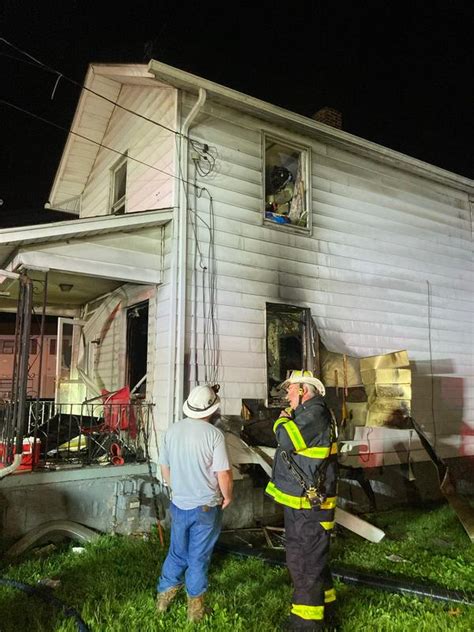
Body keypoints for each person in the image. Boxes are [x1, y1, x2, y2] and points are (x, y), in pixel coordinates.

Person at [265, 370, 338, 631]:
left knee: (305, 561)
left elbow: (286, 440)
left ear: (303, 390)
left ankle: (305, 623)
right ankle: (327, 609)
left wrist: (281, 421)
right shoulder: (312, 412)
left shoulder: (314, 413)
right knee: (313, 558)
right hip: (303, 503)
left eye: (289, 390)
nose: (287, 396)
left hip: (309, 506)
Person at [156, 384, 233, 622]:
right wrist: (227, 496)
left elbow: (165, 468)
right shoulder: (214, 435)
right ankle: (195, 611)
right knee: (198, 557)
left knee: (177, 553)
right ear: (212, 409)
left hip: (179, 504)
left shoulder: (172, 431)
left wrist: (176, 488)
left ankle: (163, 601)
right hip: (206, 507)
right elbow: (224, 473)